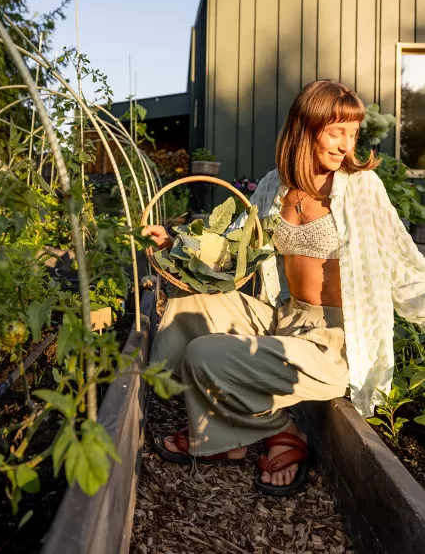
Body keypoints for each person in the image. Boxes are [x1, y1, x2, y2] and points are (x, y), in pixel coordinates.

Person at [142, 80, 425, 497]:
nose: (348, 145)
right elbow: (232, 248)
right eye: (336, 132)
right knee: (188, 309)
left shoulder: (362, 189)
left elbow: (405, 266)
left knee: (206, 353)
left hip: (333, 340)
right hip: (283, 316)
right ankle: (228, 435)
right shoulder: (275, 185)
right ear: (305, 129)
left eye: (353, 133)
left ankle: (281, 430)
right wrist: (174, 242)